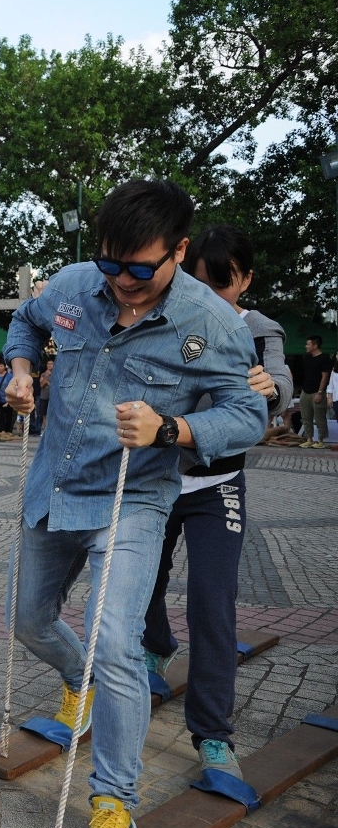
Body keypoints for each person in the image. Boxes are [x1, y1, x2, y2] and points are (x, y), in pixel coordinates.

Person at [4, 179, 266, 828]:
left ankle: (113, 800)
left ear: (178, 250)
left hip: (133, 500)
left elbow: (247, 414)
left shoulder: (209, 323)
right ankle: (77, 682)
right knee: (29, 621)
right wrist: (20, 369)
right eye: (111, 263)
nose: (123, 280)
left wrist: (172, 430)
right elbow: (26, 323)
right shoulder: (69, 285)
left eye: (141, 267)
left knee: (116, 642)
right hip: (54, 486)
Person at [141, 224, 292, 780]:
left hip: (216, 485)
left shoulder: (258, 329)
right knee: (143, 582)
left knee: (212, 599)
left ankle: (212, 733)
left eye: (221, 285)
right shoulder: (166, 315)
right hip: (155, 480)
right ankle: (157, 646)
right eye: (197, 282)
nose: (208, 296)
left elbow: (279, 382)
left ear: (246, 280)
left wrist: (270, 390)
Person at [296, 335, 329, 447]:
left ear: (315, 345)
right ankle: (309, 438)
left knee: (320, 417)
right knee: (306, 417)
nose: (306, 346)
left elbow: (325, 376)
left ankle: (321, 441)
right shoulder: (307, 358)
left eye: (308, 344)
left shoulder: (324, 358)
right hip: (305, 391)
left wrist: (320, 392)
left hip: (317, 391)